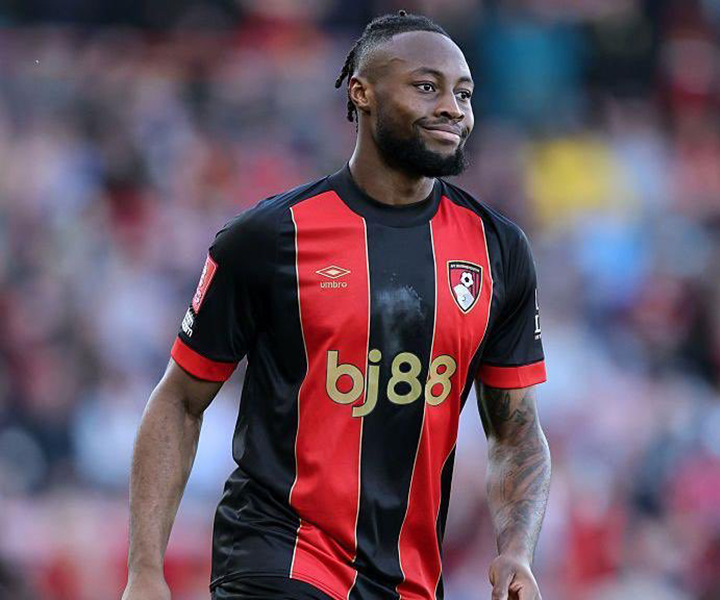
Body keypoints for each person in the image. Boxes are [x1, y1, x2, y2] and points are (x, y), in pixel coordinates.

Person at [122, 11, 550, 600]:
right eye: (427, 87)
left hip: (407, 581)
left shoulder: (498, 249)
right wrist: (145, 570)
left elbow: (516, 431)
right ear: (362, 93)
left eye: (464, 93)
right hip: (277, 559)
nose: (453, 108)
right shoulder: (270, 237)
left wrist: (517, 550)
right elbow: (179, 400)